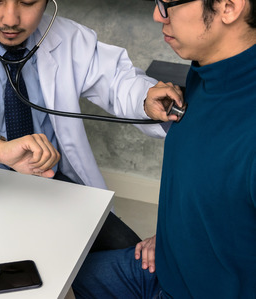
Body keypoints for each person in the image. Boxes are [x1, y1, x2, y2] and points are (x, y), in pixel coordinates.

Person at [0, 0, 182, 249]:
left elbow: (117, 79)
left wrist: (144, 98)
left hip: (54, 184)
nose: (11, 18)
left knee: (130, 262)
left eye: (28, 1)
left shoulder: (68, 38)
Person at [72, 0, 256, 297]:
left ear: (229, 6)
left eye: (168, 3)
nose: (158, 15)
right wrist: (177, 236)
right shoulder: (207, 72)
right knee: (47, 280)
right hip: (164, 268)